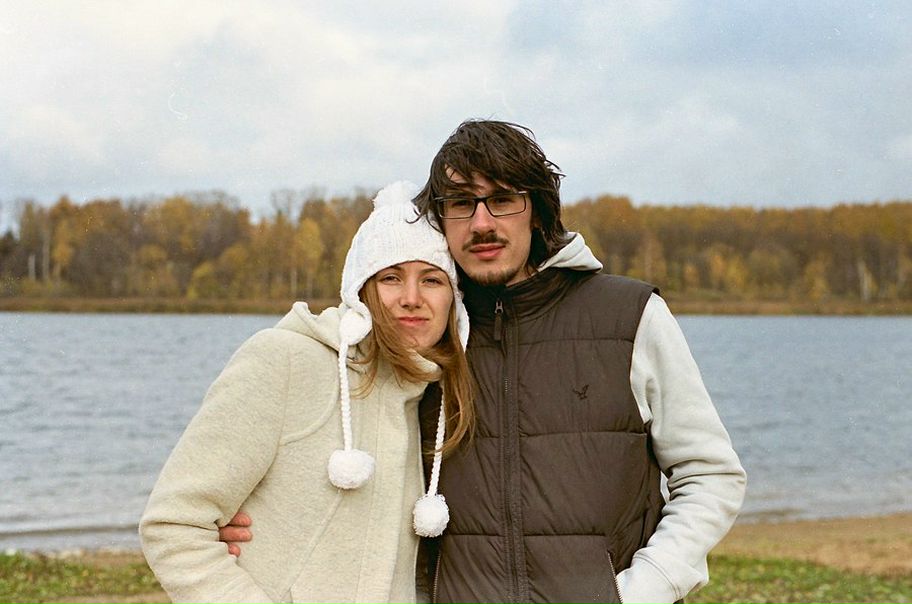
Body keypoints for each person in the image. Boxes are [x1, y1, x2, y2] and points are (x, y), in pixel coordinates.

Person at [222, 120, 747, 604]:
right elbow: (346, 459)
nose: (482, 223)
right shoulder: (422, 332)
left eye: (501, 200)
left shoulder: (629, 316)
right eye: (461, 203)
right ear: (440, 218)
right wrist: (256, 520)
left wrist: (641, 591)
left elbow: (709, 474)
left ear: (537, 209)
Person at [140, 180, 474, 604]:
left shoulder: (424, 397)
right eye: (391, 277)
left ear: (453, 301)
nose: (411, 298)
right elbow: (174, 525)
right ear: (361, 289)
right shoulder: (286, 359)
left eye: (431, 280)